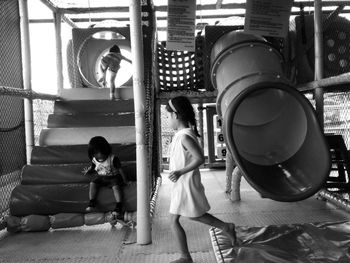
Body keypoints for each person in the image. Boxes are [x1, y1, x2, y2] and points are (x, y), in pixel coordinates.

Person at [165, 96, 238, 263]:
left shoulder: (184, 136)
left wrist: (180, 172)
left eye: (168, 116)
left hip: (185, 184)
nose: (168, 120)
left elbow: (199, 159)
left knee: (175, 219)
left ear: (176, 116)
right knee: (193, 215)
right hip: (181, 184)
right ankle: (226, 227)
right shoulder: (181, 135)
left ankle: (185, 257)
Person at [83, 136, 129, 215]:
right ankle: (92, 202)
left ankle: (119, 205)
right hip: (102, 177)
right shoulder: (94, 159)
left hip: (113, 177)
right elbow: (93, 167)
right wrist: (89, 171)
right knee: (92, 183)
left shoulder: (112, 158)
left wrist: (125, 180)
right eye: (95, 153)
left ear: (105, 150)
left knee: (116, 187)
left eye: (99, 152)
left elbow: (120, 170)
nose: (98, 155)